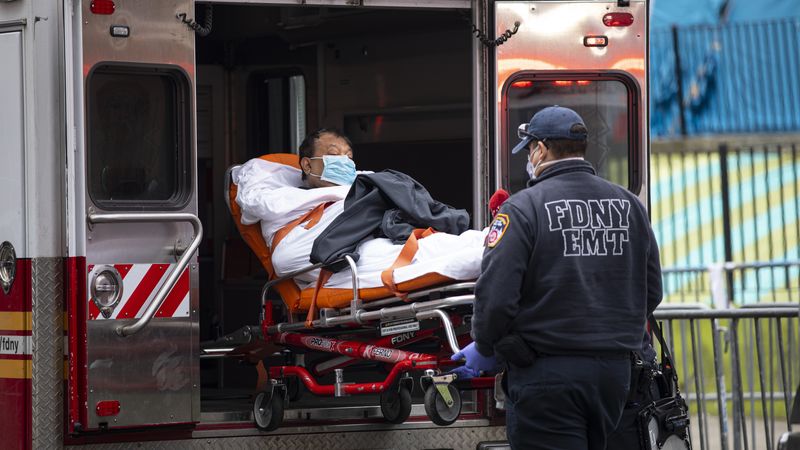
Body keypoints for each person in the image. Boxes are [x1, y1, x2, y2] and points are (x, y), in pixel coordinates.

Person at [453, 106, 663, 450]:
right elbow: (652, 290)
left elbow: (496, 297)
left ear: (540, 149)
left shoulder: (523, 210)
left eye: (530, 150)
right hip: (614, 378)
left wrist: (487, 345)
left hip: (547, 376)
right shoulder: (629, 205)